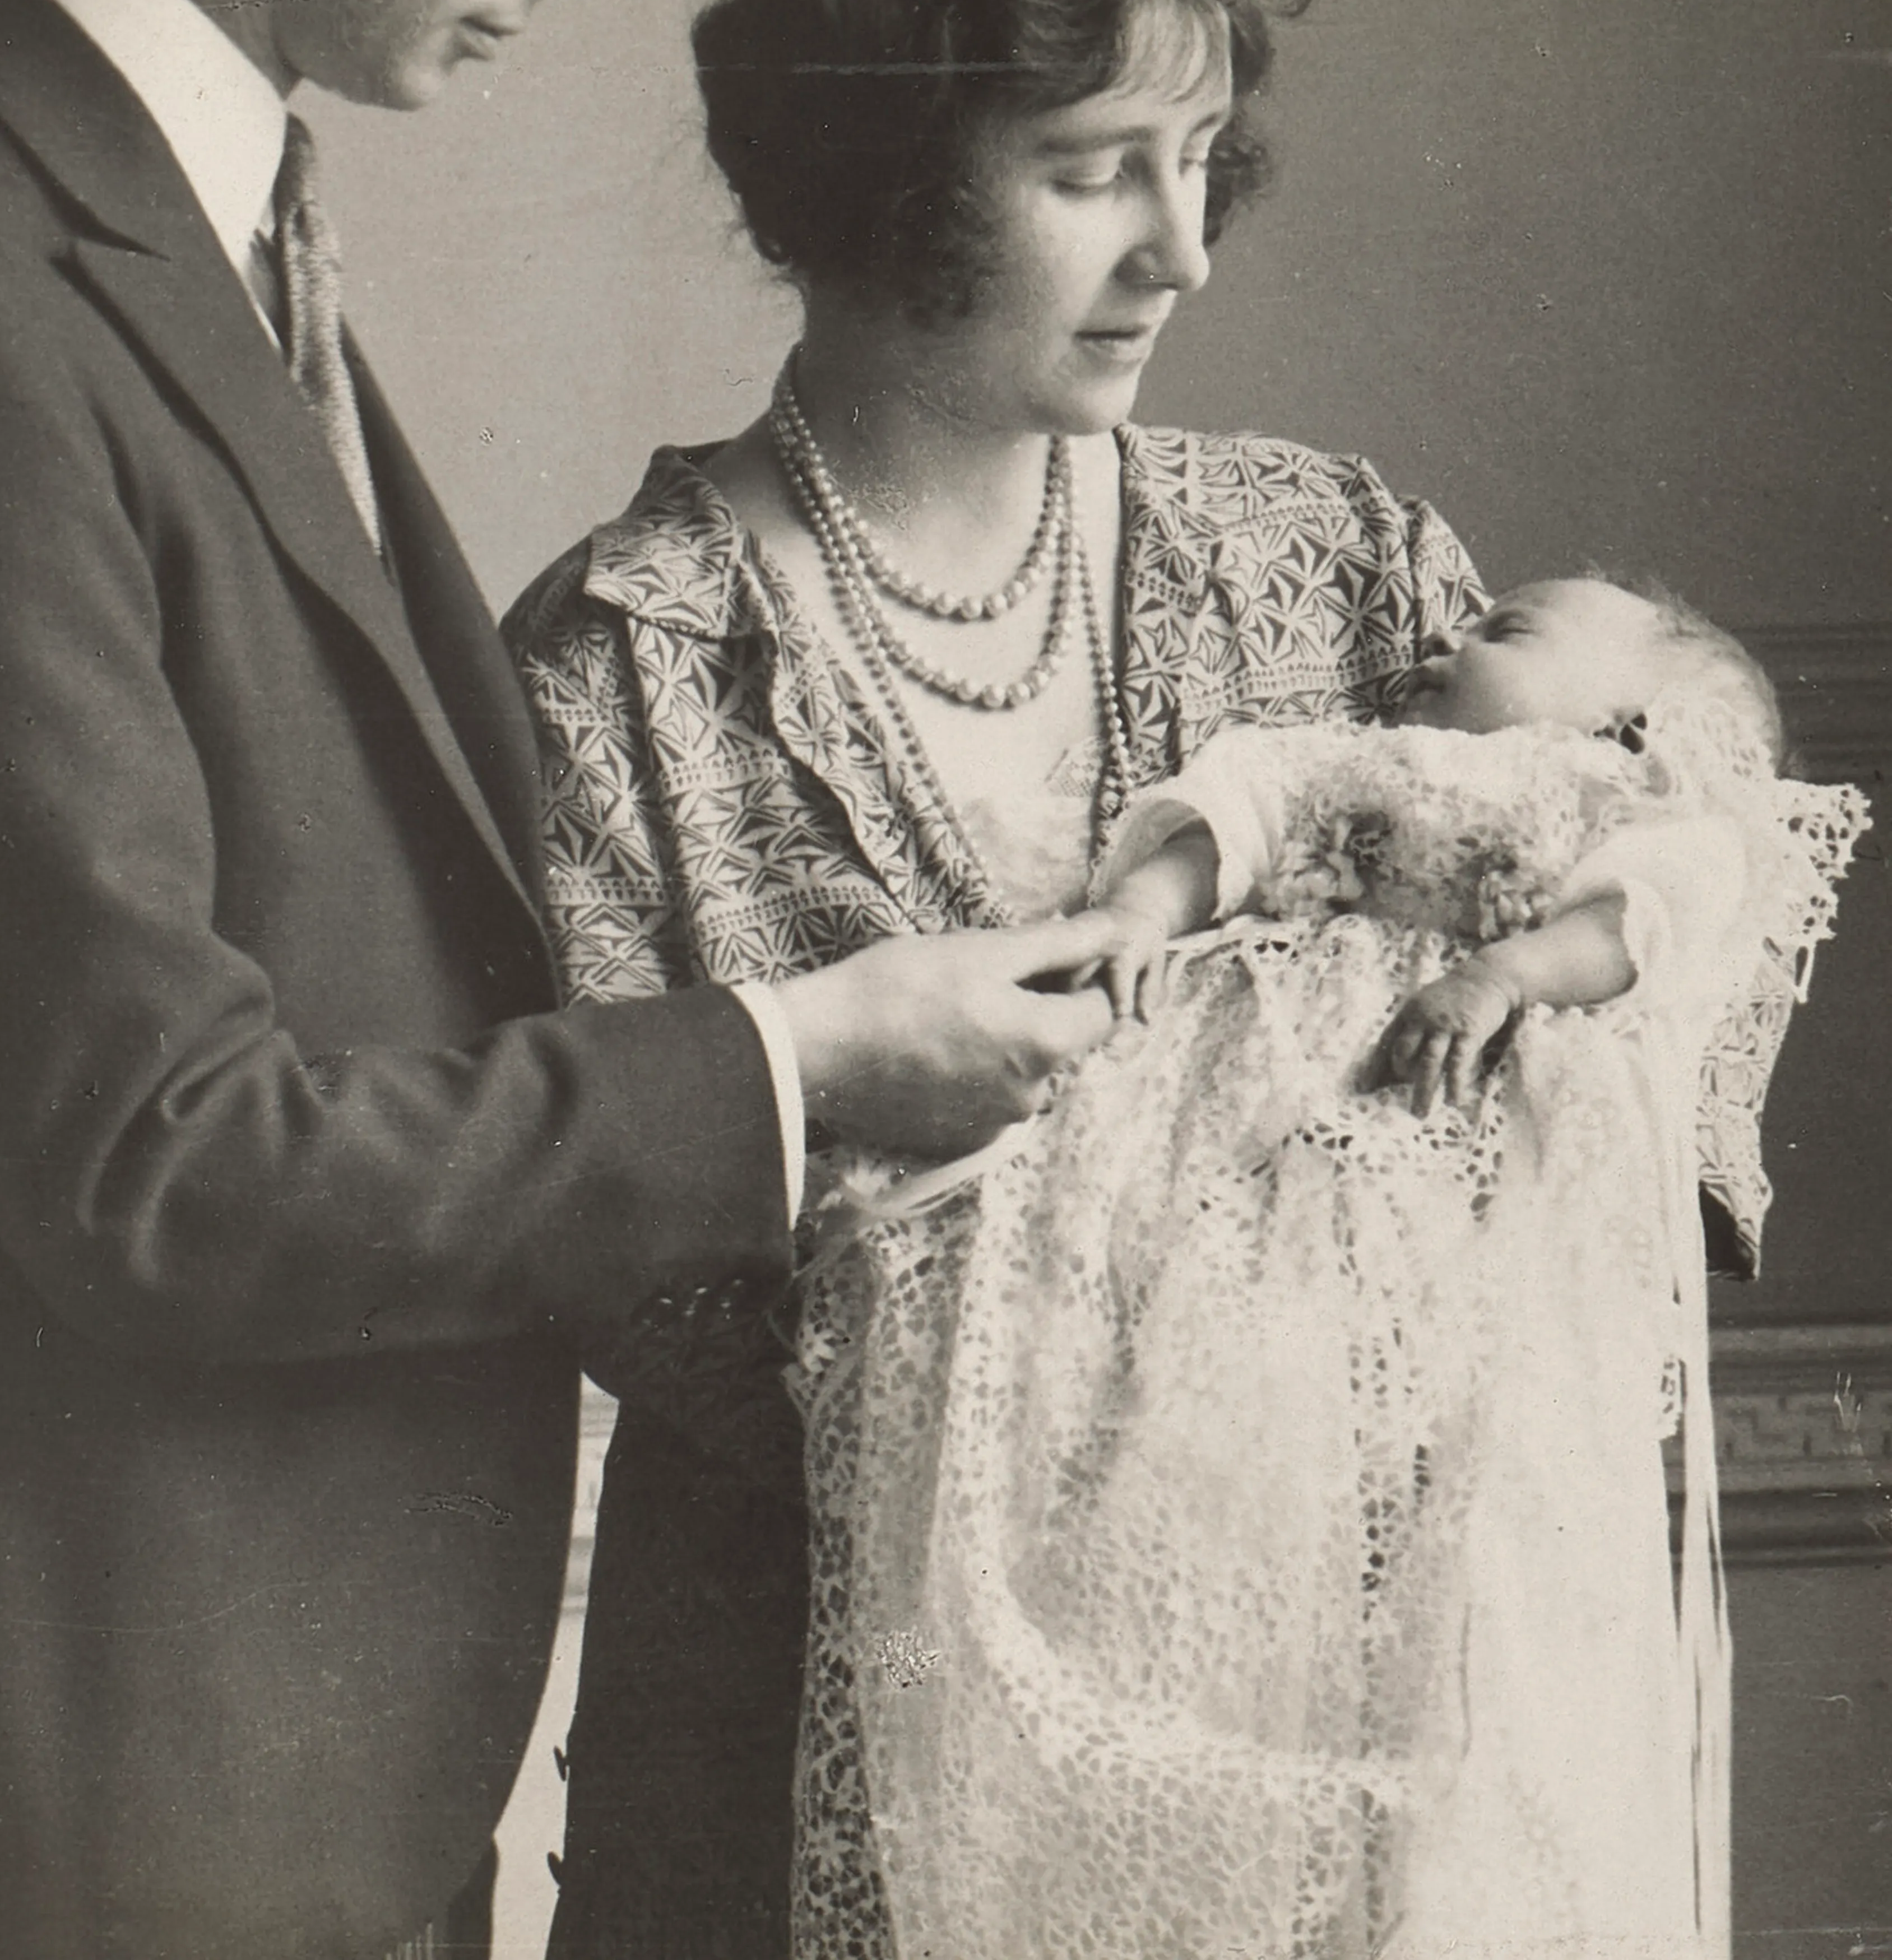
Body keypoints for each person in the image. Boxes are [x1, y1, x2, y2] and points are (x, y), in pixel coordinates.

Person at [0, 0, 1117, 1960]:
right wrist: (794, 1063)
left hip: (272, 1787)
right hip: (98, 1831)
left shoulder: (163, 210)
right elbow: (156, 1160)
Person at [506, 0, 1497, 1959]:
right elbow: (636, 1281)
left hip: (1301, 1777)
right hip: (799, 1783)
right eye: (1090, 169)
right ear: (881, 174)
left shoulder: (1344, 566)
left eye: (1198, 154)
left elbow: (1598, 1073)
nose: (1183, 246)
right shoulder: (621, 676)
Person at [795, 578, 1867, 1959]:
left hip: (1416, 1159)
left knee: (1393, 1545)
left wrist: (1504, 976)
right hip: (1214, 1127)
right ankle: (970, 1662)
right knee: (1059, 1384)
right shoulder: (1366, 758)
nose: (1442, 635)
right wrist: (1146, 912)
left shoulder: (1627, 808)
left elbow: (1650, 918)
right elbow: (1243, 813)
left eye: (1508, 632)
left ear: (1634, 727)